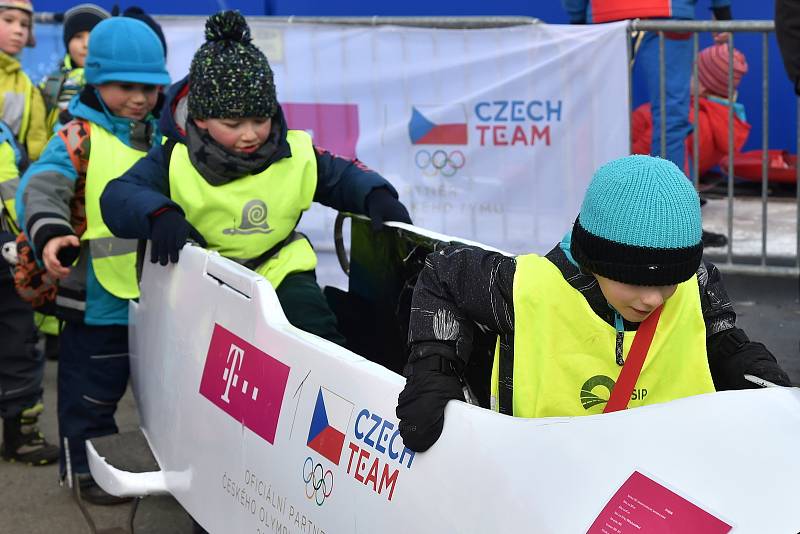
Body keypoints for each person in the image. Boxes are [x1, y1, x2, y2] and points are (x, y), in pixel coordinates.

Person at [396, 155, 790, 452]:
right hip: (541, 480)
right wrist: (435, 364)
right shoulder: (527, 288)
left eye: (668, 281)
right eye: (633, 281)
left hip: (669, 477)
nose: (653, 299)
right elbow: (442, 273)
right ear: (594, 260)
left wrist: (739, 357)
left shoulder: (695, 281)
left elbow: (718, 330)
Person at [100, 10, 412, 347]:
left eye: (260, 119)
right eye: (233, 125)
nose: (250, 135)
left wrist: (376, 195)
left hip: (280, 269)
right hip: (204, 277)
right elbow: (119, 195)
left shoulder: (295, 150)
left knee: (313, 333)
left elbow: (344, 176)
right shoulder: (173, 156)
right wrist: (158, 214)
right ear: (201, 119)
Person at [16, 14, 169, 503]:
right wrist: (51, 232)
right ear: (96, 80)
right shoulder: (77, 136)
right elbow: (39, 187)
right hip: (96, 297)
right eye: (125, 86)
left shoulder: (166, 139)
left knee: (160, 389)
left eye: (150, 87)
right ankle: (83, 471)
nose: (141, 98)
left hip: (159, 293)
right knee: (90, 393)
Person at [562, 0, 732, 174]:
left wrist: (579, 19)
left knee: (603, 115)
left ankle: (605, 194)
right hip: (669, 13)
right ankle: (667, 196)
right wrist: (722, 13)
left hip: (605, 15)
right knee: (670, 115)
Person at [0, 119, 59, 465]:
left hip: (11, 264)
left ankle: (20, 433)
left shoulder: (5, 133)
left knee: (19, 346)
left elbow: (24, 187)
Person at [632, 43, 750, 180]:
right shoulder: (726, 120)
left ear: (701, 87)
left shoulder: (682, 118)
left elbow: (639, 156)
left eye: (690, 73)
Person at [40, 3, 109, 133]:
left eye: (93, 37)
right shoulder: (49, 82)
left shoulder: (113, 82)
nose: (86, 45)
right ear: (67, 42)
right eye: (78, 37)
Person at [0, 0, 47, 161]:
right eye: (8, 20)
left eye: (24, 24)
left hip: (11, 178)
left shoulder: (28, 86)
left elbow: (37, 140)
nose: (18, 30)